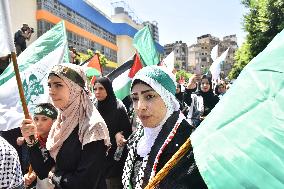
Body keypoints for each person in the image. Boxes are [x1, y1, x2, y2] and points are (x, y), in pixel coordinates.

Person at [21, 64, 111, 189]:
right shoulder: (60, 122)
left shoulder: (93, 127)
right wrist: (30, 139)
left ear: (75, 88)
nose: (51, 91)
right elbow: (42, 171)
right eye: (50, 85)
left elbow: (84, 184)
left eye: (58, 85)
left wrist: (54, 176)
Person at [122, 65, 207, 189]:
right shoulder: (136, 138)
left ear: (168, 98)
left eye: (149, 96)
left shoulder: (190, 143)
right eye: (135, 98)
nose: (140, 106)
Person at [93, 77, 132, 189]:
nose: (97, 92)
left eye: (101, 88)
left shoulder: (118, 107)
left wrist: (118, 134)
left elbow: (127, 132)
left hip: (114, 161)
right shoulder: (93, 107)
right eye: (95, 89)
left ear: (108, 89)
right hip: (96, 158)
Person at [23, 103, 58, 189]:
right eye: (36, 119)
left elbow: (44, 172)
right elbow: (36, 167)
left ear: (54, 121)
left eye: (44, 119)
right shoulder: (32, 139)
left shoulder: (59, 141)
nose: (38, 123)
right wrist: (31, 175)